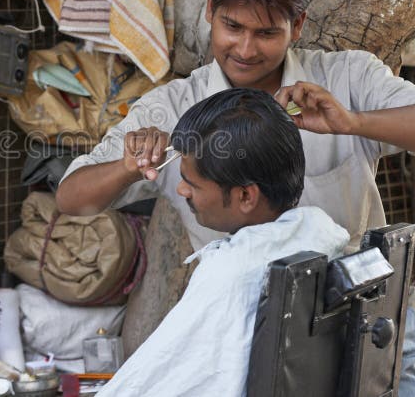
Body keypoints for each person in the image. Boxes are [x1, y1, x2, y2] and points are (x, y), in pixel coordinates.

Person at [56, 0, 415, 395]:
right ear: (209, 10)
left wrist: (352, 121)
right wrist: (129, 163)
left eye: (267, 33)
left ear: (299, 24)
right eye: (233, 27)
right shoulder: (172, 108)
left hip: (364, 316)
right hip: (253, 334)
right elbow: (72, 199)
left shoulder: (345, 77)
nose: (246, 50)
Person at [96, 88, 350, 396]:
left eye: (192, 184)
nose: (181, 191)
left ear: (245, 196)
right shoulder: (321, 234)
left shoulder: (229, 274)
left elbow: (146, 385)